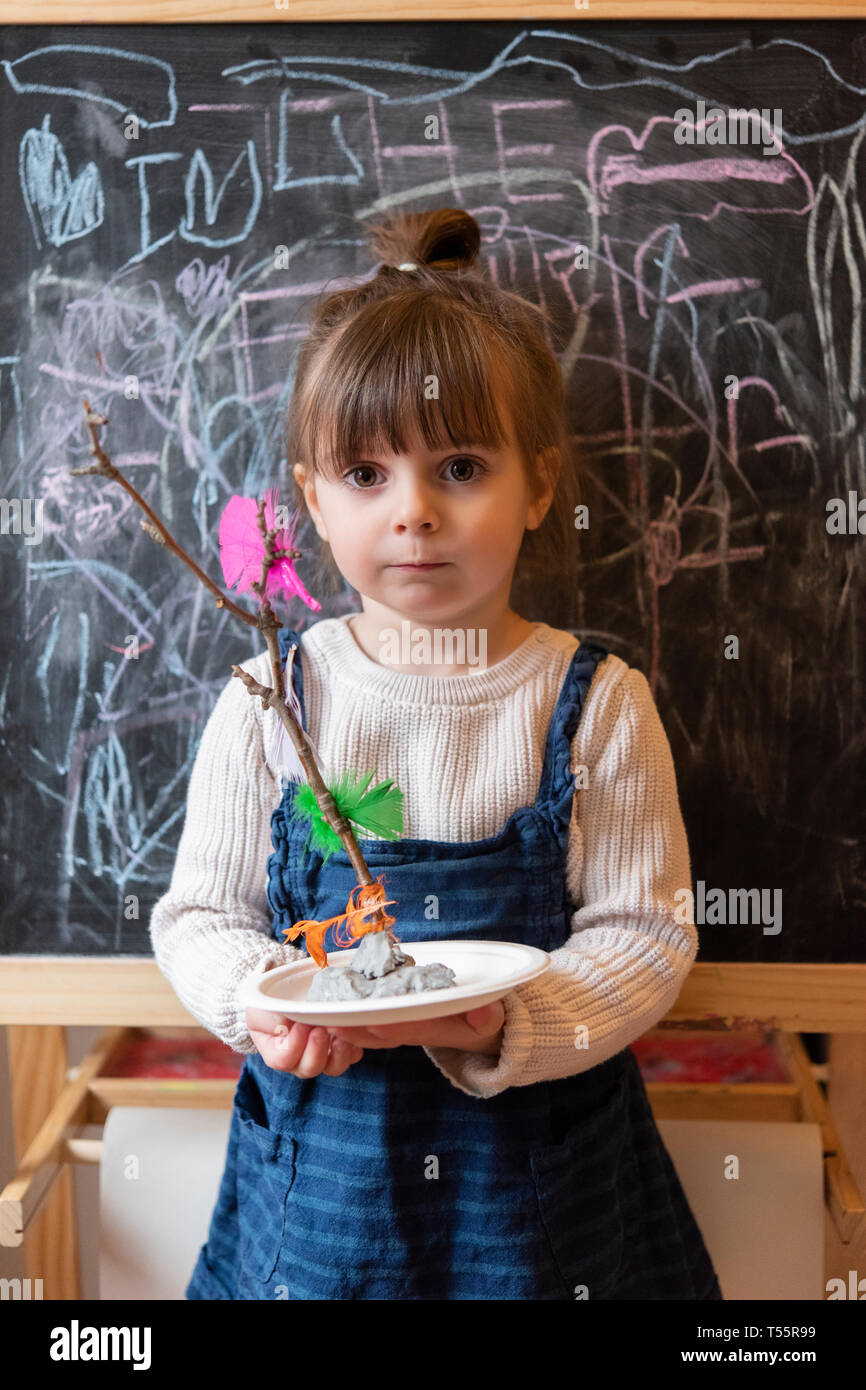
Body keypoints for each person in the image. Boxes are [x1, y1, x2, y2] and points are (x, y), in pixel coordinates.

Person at [150, 206, 723, 1301]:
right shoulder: (273, 698)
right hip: (323, 1185)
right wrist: (258, 1003)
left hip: (540, 1193)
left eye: (459, 466)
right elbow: (198, 915)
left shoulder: (595, 705)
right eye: (365, 475)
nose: (412, 513)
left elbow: (645, 932)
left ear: (538, 484)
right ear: (310, 501)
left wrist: (517, 1019)